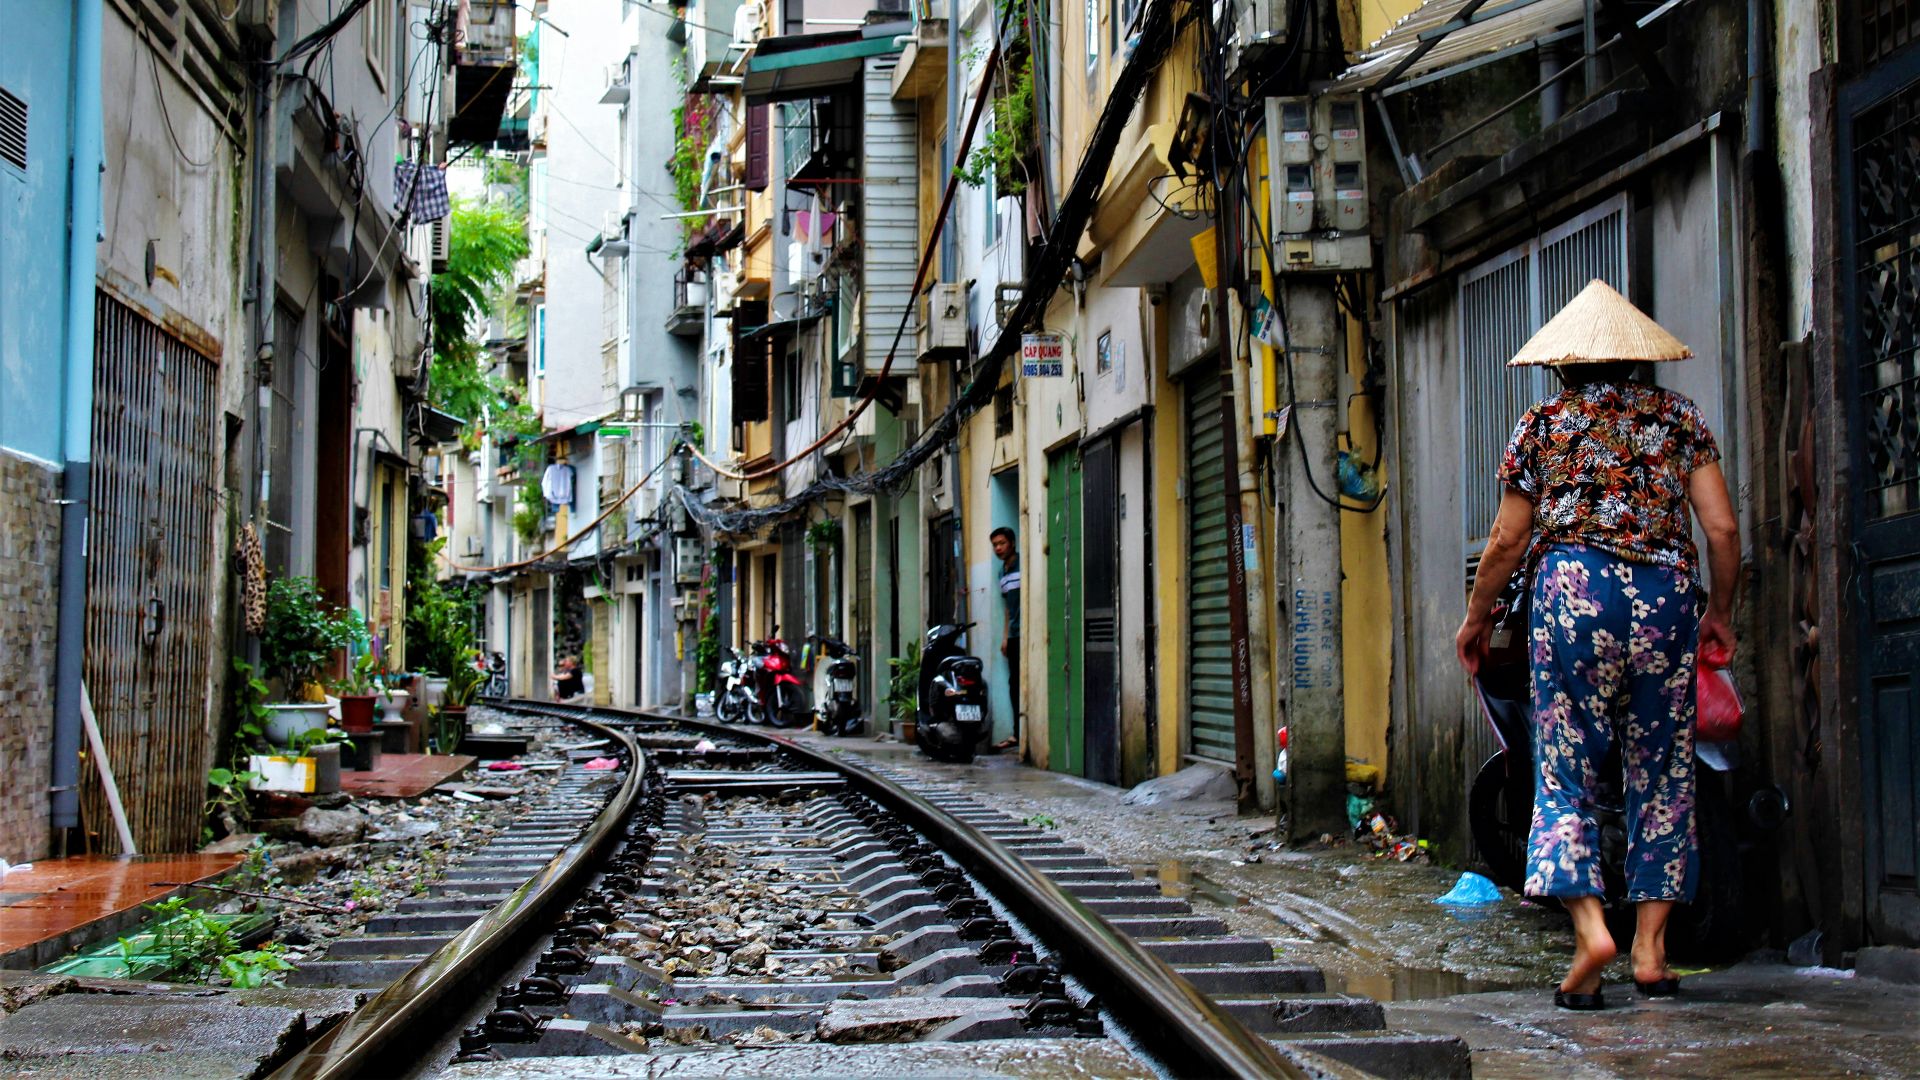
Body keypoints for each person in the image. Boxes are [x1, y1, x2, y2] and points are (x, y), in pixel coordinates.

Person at [1454, 280, 1740, 1012]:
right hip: (1666, 599)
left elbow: (1508, 538)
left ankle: (1590, 933)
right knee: (1662, 768)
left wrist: (1477, 618)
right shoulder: (1678, 418)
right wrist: (1722, 614)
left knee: (1566, 762)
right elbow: (1722, 531)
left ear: (1564, 363)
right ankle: (1649, 950)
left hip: (1574, 596)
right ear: (1637, 360)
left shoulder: (1543, 423)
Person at [990, 526, 1021, 751]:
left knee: (1020, 683)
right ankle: (1017, 732)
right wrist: (1005, 636)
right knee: (1014, 684)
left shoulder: (1023, 564)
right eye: (995, 545)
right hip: (1014, 634)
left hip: (1025, 633)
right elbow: (1008, 608)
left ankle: (1020, 733)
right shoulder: (1002, 572)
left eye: (1001, 543)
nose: (998, 548)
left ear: (1012, 543)